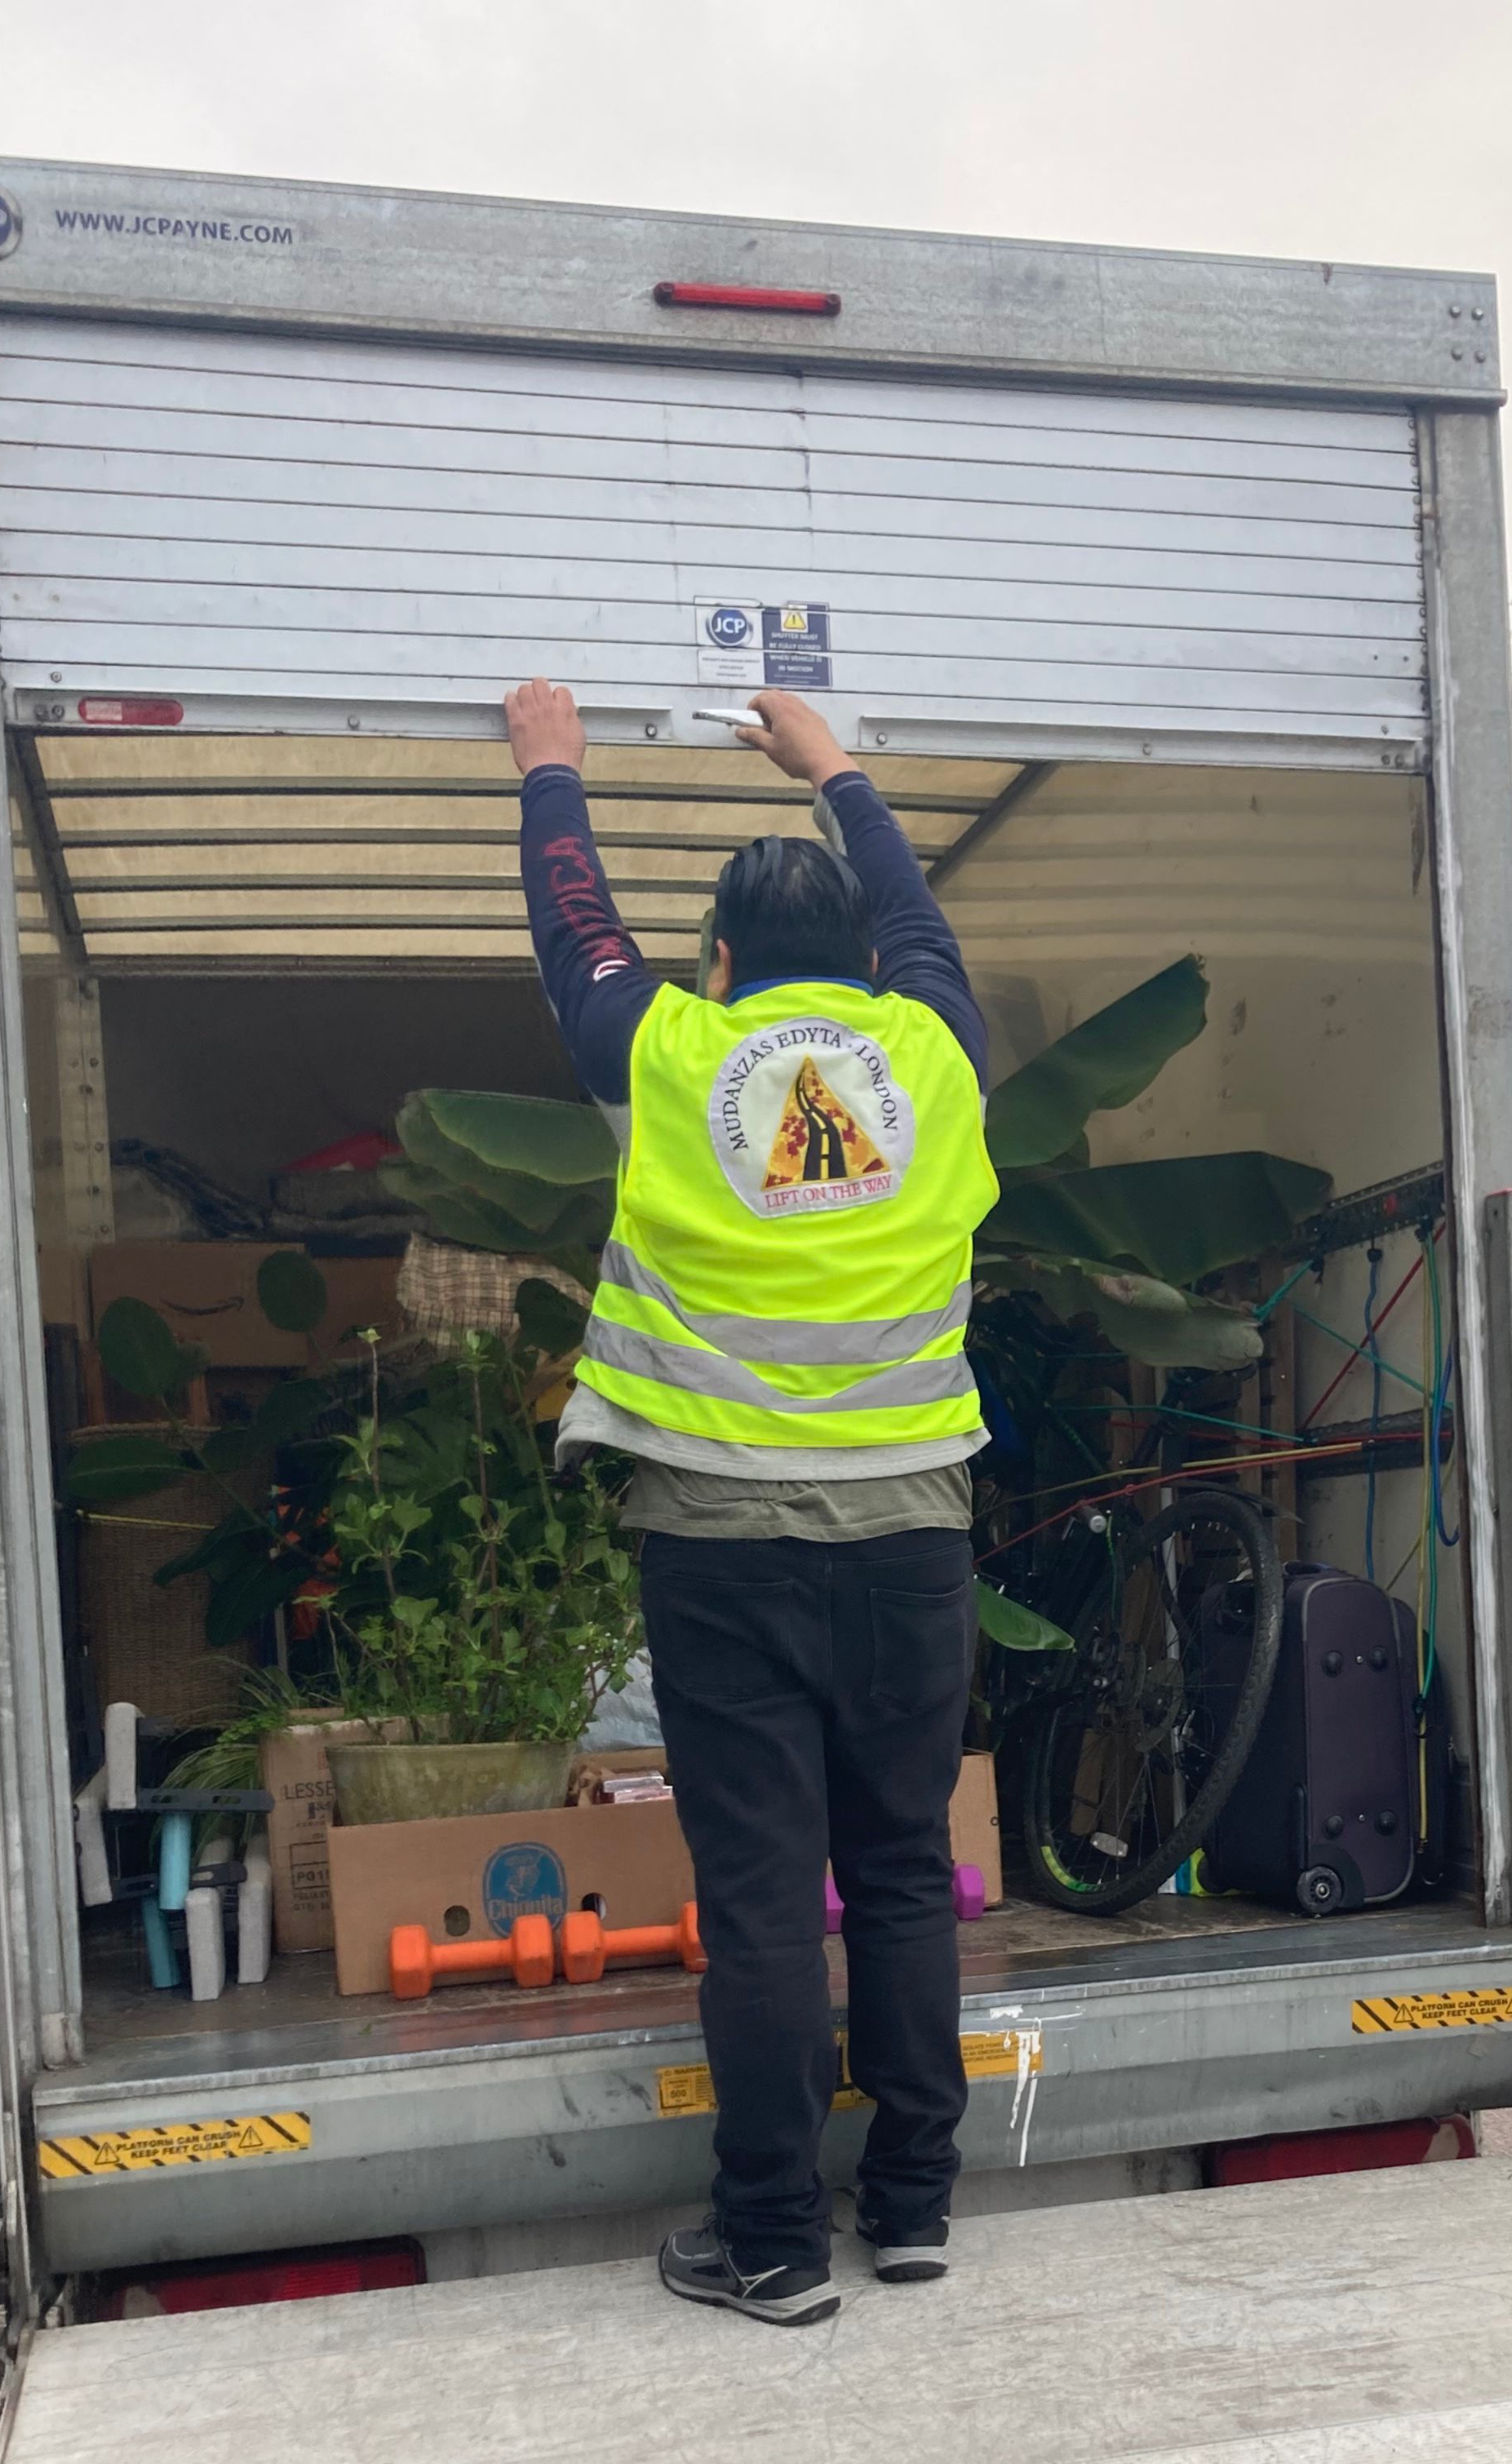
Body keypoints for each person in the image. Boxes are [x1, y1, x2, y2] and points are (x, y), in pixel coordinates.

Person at [505, 679, 1000, 2329]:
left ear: (715, 961)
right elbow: (921, 923)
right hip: (913, 1540)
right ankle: (916, 2208)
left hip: (720, 1550)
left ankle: (778, 2240)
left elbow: (574, 942)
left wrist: (553, 774)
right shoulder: (928, 1054)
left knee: (771, 1897)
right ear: (860, 972)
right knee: (909, 1870)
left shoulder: (665, 1053)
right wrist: (838, 768)